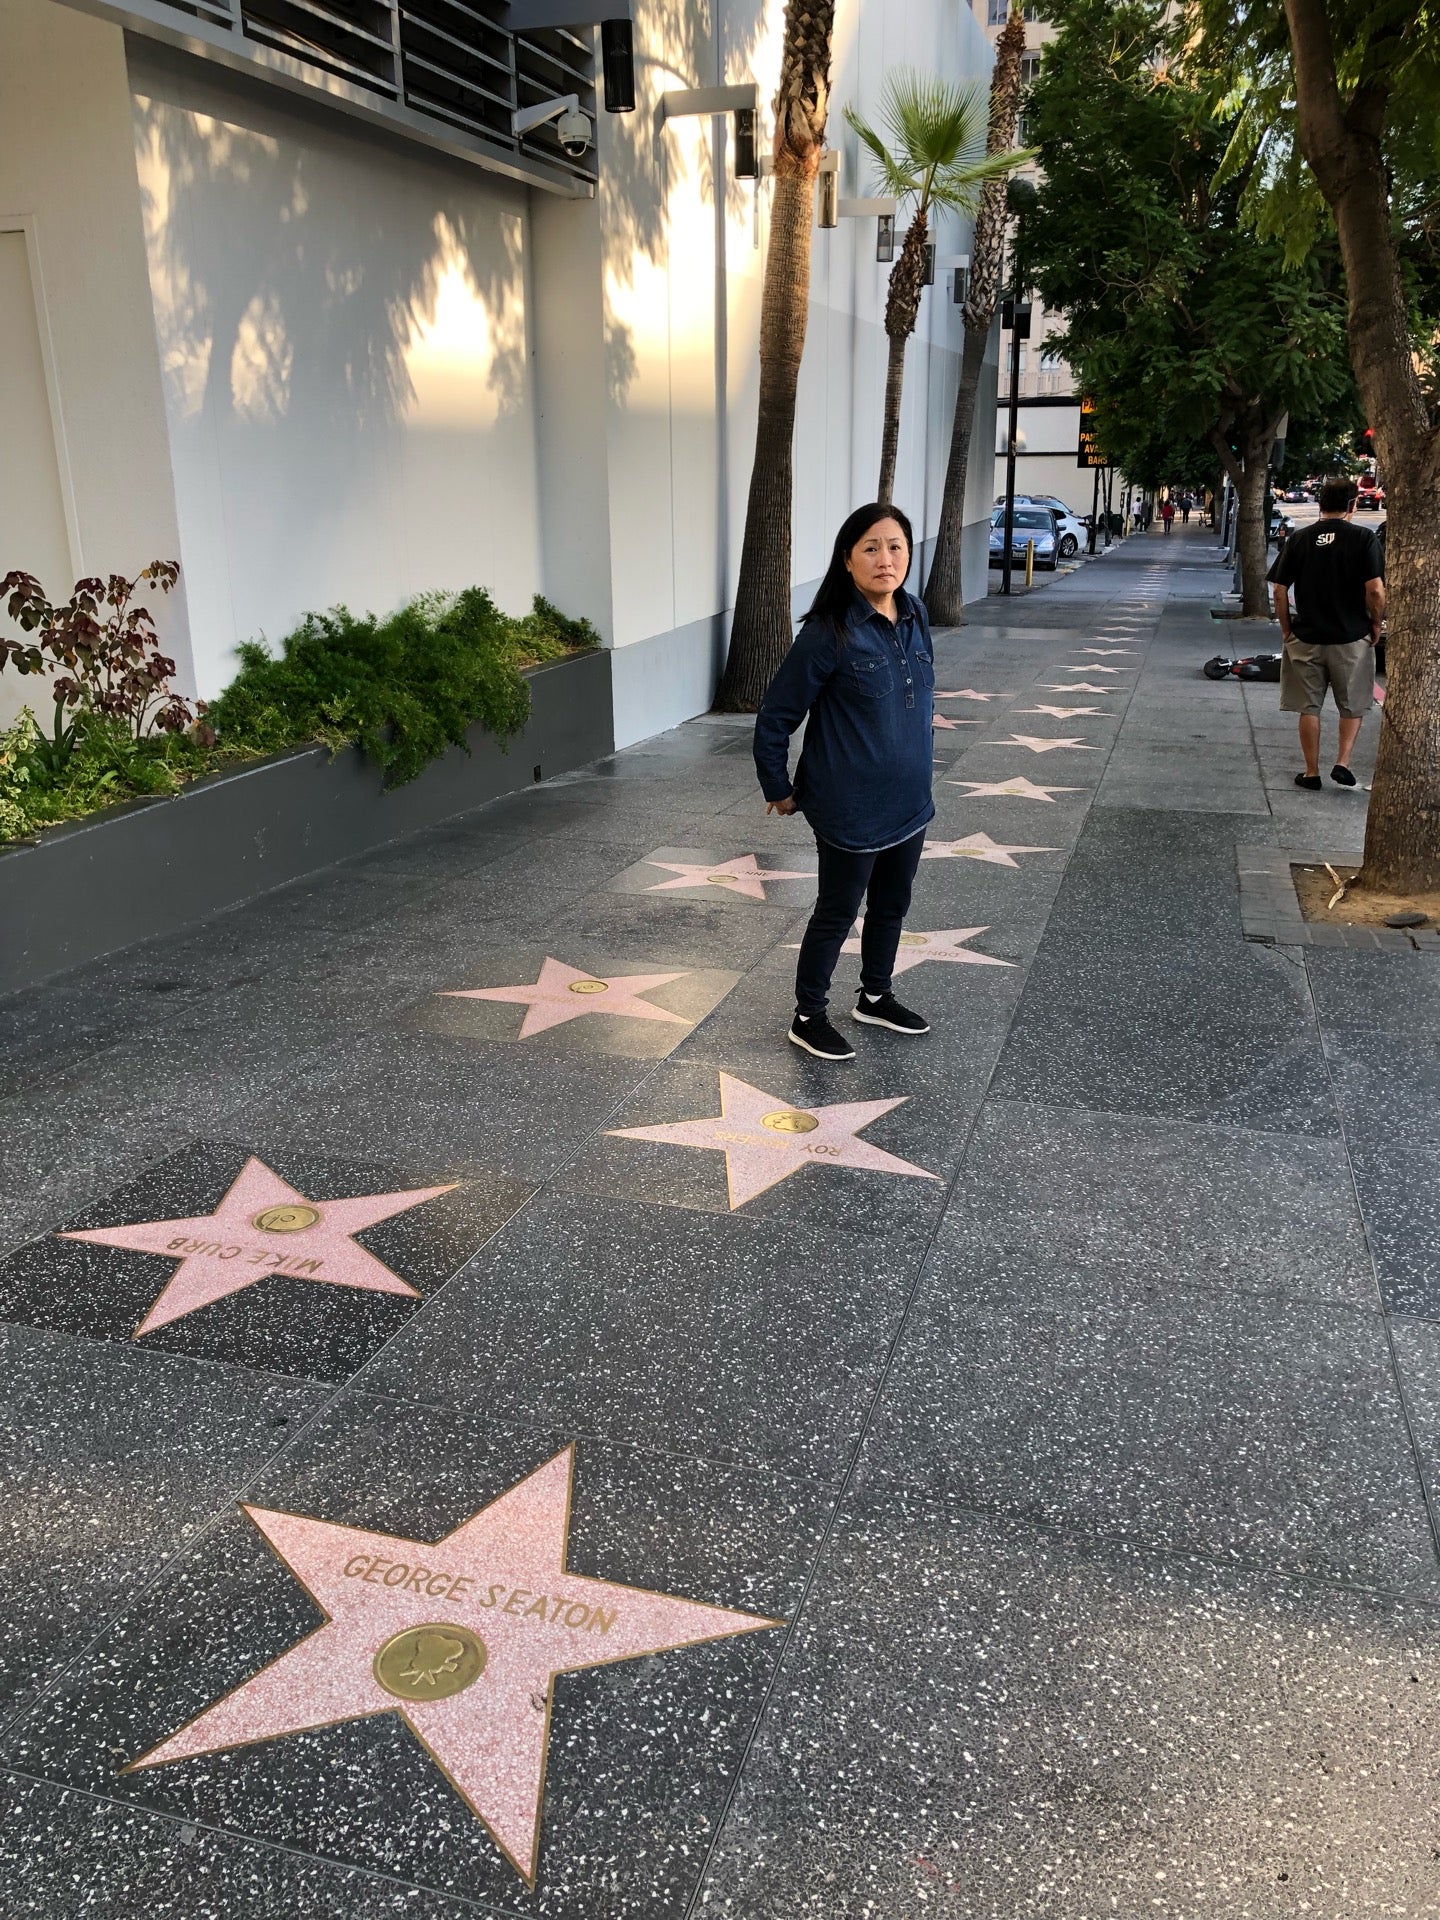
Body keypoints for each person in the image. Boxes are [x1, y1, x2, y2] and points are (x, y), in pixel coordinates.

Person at [753, 503, 934, 1061]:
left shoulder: (915, 613)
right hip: (849, 807)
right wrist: (777, 787)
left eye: (896, 546)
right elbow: (776, 715)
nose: (886, 559)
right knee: (837, 911)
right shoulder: (828, 632)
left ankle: (875, 995)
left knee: (891, 905)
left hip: (910, 802)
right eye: (871, 548)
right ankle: (808, 1014)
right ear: (848, 560)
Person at [1268, 475, 1386, 790]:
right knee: (1353, 703)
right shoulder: (1364, 539)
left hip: (1306, 636)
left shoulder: (1300, 539)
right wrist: (1375, 623)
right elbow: (1374, 590)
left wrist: (1286, 628)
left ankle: (1311, 772)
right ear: (1353, 504)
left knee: (1308, 706)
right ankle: (1342, 762)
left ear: (1321, 504)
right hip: (1351, 637)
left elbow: (1280, 590)